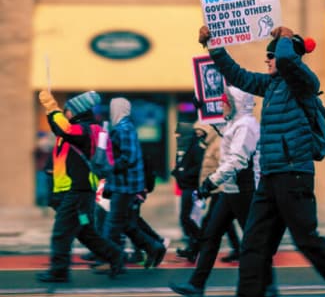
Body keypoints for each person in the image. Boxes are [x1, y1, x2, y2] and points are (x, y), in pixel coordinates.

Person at [198, 25, 325, 297]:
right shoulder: (270, 86)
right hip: (270, 174)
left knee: (307, 241)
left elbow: (288, 62)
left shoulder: (302, 84)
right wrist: (214, 46)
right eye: (268, 57)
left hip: (294, 174)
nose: (267, 61)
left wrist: (284, 40)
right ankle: (249, 296)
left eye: (271, 56)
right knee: (255, 239)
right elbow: (237, 75)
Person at [170, 86, 279, 297]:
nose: (221, 105)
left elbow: (237, 160)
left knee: (253, 240)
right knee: (211, 235)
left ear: (236, 103)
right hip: (230, 189)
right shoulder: (235, 123)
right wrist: (202, 110)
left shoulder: (246, 126)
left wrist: (211, 181)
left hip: (243, 190)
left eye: (224, 101)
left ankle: (268, 285)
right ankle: (196, 285)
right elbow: (223, 131)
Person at [36, 90, 125, 282]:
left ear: (77, 112)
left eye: (68, 110)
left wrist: (52, 107)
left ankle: (59, 271)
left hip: (77, 193)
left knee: (62, 231)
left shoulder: (84, 130)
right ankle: (115, 255)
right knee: (85, 231)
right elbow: (59, 129)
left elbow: (64, 129)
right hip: (77, 193)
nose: (66, 113)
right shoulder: (81, 129)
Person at [102, 97, 166, 270]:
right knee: (126, 224)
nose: (111, 111)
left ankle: (112, 261)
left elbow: (127, 157)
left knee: (113, 225)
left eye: (113, 108)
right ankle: (154, 247)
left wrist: (109, 167)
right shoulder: (125, 128)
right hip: (125, 184)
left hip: (124, 185)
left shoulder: (122, 129)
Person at [172, 122, 206, 261]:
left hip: (192, 188)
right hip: (185, 187)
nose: (177, 137)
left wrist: (183, 173)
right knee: (186, 218)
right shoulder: (184, 148)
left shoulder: (196, 149)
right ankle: (193, 247)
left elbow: (198, 168)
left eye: (179, 134)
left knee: (188, 218)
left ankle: (198, 243)